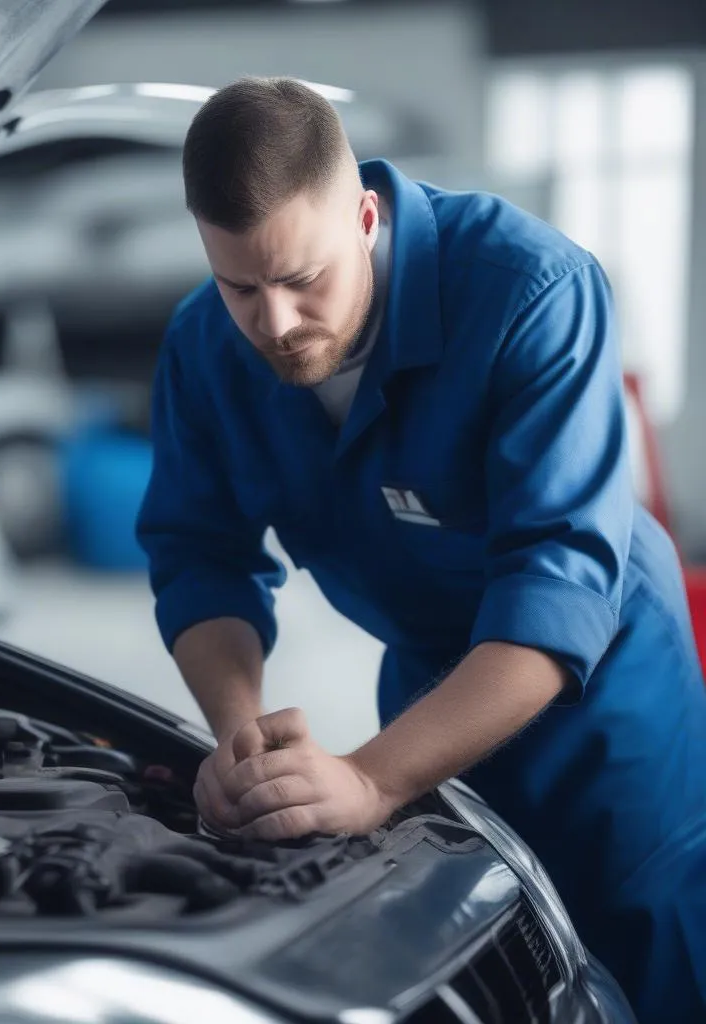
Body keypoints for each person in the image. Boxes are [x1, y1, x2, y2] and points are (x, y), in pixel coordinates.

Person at [136, 77, 706, 1022]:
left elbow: (555, 586)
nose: (273, 324)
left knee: (647, 962)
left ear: (363, 216)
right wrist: (239, 736)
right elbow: (199, 555)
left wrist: (372, 778)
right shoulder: (204, 345)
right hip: (430, 689)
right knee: (484, 978)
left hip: (612, 710)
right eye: (240, 285)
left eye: (301, 279)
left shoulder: (533, 292)